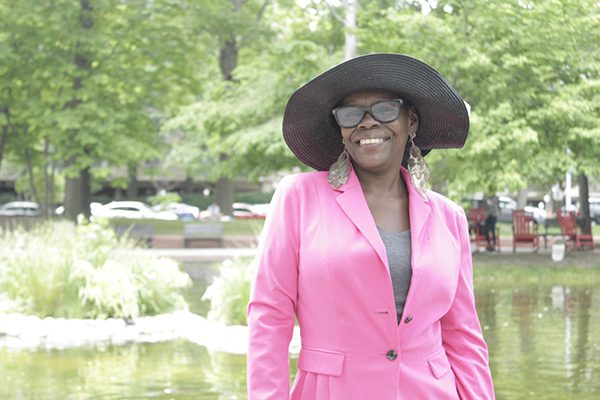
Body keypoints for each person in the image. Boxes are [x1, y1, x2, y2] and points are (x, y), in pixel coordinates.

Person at [247, 54, 495, 399]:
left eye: (385, 109)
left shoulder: (448, 217)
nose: (366, 122)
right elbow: (269, 316)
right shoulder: (298, 197)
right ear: (341, 129)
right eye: (350, 114)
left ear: (412, 122)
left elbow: (463, 336)